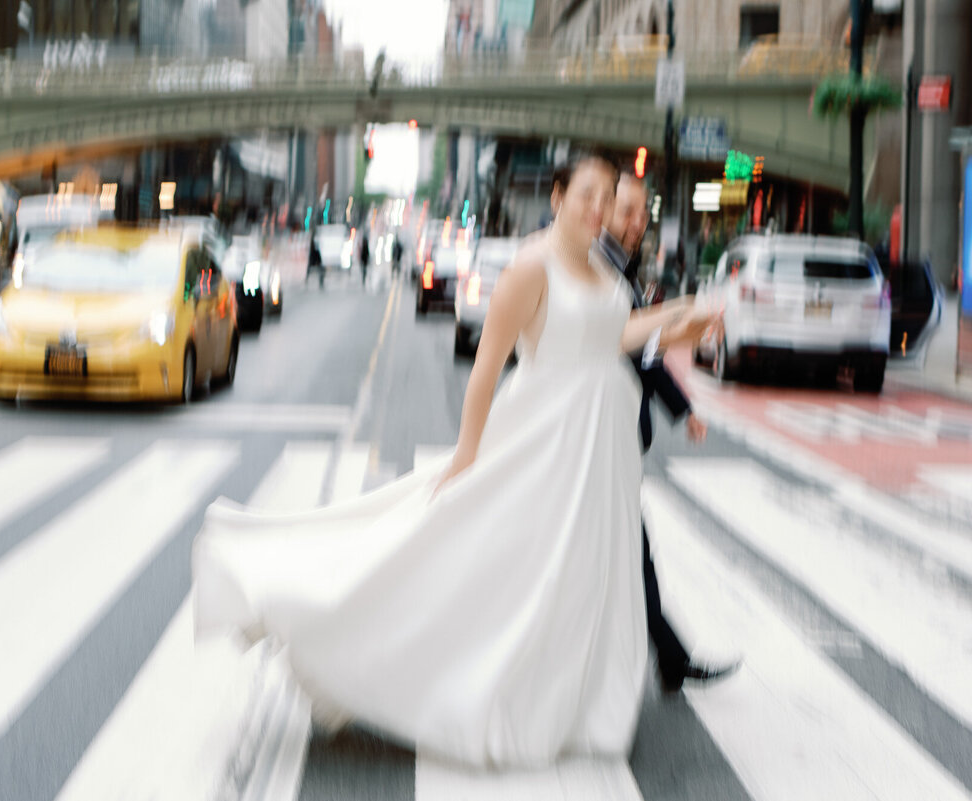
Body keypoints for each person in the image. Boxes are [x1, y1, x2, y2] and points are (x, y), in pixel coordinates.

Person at [192, 151, 719, 768]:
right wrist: (468, 455)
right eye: (588, 196)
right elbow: (487, 367)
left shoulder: (602, 270)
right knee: (492, 563)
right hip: (545, 440)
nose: (600, 209)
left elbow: (618, 333)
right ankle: (434, 671)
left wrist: (684, 318)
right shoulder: (532, 266)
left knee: (581, 573)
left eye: (609, 198)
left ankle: (575, 698)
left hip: (600, 449)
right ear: (557, 198)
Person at [598, 172, 740, 693]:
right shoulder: (597, 269)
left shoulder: (618, 269)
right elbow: (629, 341)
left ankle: (668, 656)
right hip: (592, 434)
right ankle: (667, 657)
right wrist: (687, 318)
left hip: (613, 431)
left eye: (643, 213)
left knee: (629, 549)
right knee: (624, 550)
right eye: (628, 211)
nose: (638, 223)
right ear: (599, 211)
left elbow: (643, 347)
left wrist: (683, 408)